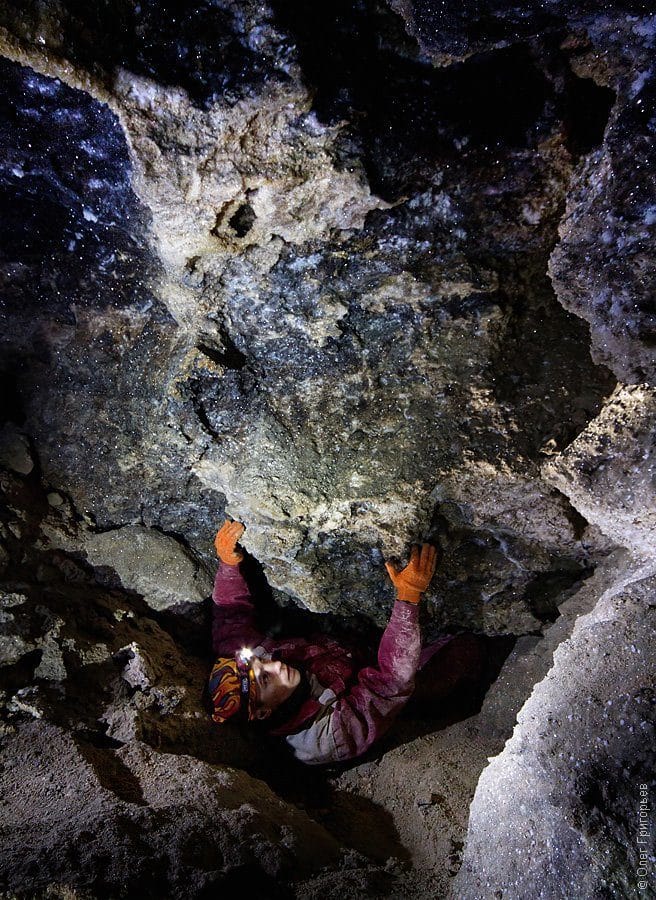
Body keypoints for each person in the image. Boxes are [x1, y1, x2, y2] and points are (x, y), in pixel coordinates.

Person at [209, 520, 485, 765]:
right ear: (263, 712)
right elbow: (392, 682)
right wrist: (408, 597)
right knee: (460, 650)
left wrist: (227, 563)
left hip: (347, 651)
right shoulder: (328, 736)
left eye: (261, 662)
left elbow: (230, 616)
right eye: (266, 680)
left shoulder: (246, 664)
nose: (275, 665)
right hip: (392, 691)